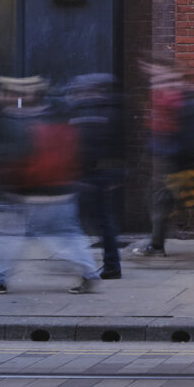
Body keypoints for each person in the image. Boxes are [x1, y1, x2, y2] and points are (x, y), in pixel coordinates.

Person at [0, 74, 101, 294]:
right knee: (67, 235)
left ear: (17, 95)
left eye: (4, 92)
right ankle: (89, 271)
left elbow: (13, 160)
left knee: (6, 238)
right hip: (62, 189)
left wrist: (1, 185)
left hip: (26, 194)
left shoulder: (14, 122)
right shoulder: (57, 114)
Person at [136, 62, 194, 266]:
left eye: (161, 77)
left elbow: (188, 136)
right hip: (189, 164)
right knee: (166, 202)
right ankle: (158, 245)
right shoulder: (185, 99)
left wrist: (168, 153)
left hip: (188, 166)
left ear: (176, 78)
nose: (156, 82)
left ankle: (158, 246)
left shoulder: (183, 101)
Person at [67, 71, 126, 280]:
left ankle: (109, 265)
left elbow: (95, 144)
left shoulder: (95, 111)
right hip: (93, 174)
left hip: (93, 174)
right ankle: (107, 264)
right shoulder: (102, 109)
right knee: (98, 221)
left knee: (95, 221)